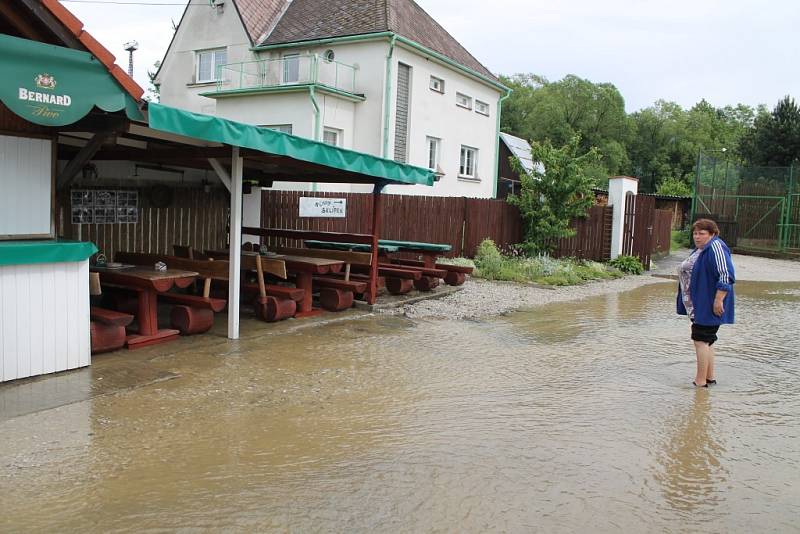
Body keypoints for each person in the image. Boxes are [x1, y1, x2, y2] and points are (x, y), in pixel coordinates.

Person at [677, 219, 735, 387]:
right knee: (707, 339)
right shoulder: (702, 249)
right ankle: (709, 378)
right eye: (695, 233)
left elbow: (726, 275)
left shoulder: (716, 247)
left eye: (702, 233)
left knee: (700, 339)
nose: (697, 236)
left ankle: (700, 382)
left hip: (709, 302)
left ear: (713, 234)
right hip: (700, 302)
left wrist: (718, 300)